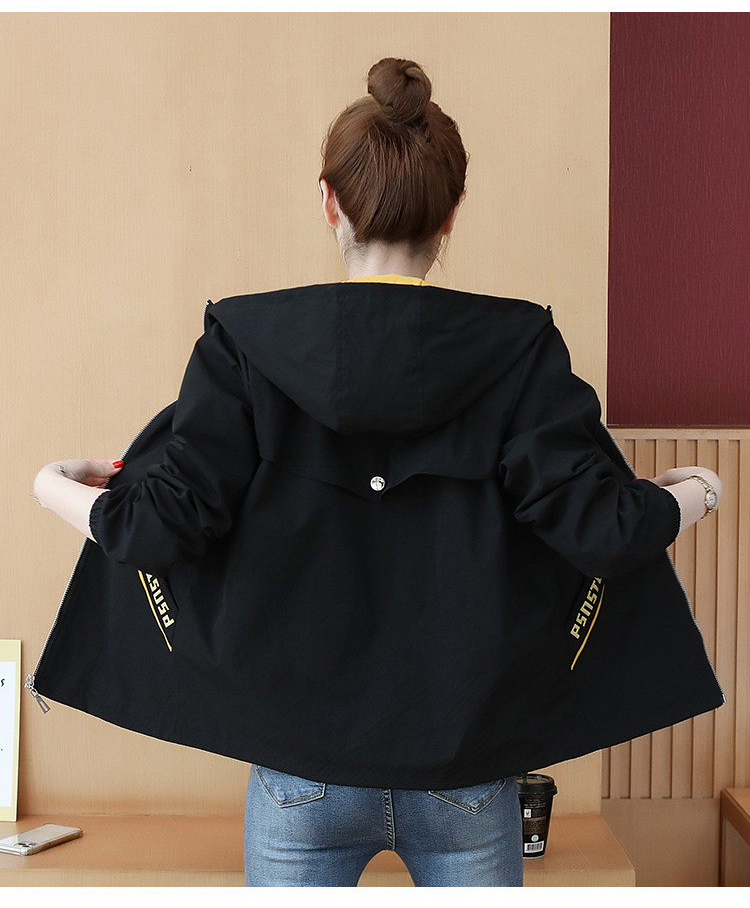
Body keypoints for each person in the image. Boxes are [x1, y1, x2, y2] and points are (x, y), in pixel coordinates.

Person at [32, 58, 724, 887]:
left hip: (300, 774)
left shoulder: (243, 346)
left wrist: (50, 484)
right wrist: (699, 491)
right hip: (468, 771)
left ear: (328, 201)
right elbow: (603, 530)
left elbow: (156, 529)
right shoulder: (521, 350)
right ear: (452, 213)